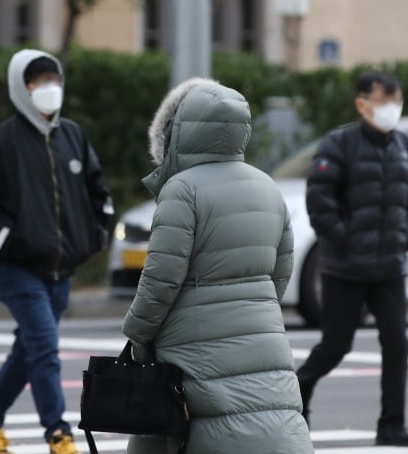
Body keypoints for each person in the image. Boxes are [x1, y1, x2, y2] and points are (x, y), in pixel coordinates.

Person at [121, 78, 314, 454]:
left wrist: (137, 335)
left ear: (179, 132)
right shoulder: (267, 187)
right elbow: (281, 271)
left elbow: (161, 281)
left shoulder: (182, 190)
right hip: (263, 338)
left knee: (180, 431)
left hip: (192, 348)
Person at [0, 49, 111, 454]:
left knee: (27, 351)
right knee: (44, 348)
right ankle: (58, 435)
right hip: (17, 270)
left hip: (61, 269)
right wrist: (10, 243)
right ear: (20, 88)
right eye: (37, 81)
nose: (48, 88)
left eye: (53, 79)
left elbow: (98, 192)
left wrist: (96, 234)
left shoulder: (72, 136)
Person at [296, 71, 408, 447]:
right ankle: (298, 394)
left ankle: (392, 424)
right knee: (335, 346)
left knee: (397, 344)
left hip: (390, 267)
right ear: (362, 103)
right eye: (385, 99)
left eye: (396, 100)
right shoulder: (339, 144)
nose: (392, 108)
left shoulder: (405, 146)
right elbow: (319, 201)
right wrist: (343, 238)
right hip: (345, 268)